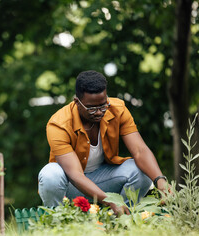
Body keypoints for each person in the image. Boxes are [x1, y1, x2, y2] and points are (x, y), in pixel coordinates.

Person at [38, 70, 168, 215]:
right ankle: (60, 221)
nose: (99, 112)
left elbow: (140, 151)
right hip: (70, 185)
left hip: (104, 179)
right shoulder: (58, 124)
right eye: (92, 108)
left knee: (141, 170)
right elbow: (75, 174)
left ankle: (120, 221)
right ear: (77, 102)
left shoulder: (118, 109)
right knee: (50, 174)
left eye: (103, 106)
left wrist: (160, 181)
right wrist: (110, 201)